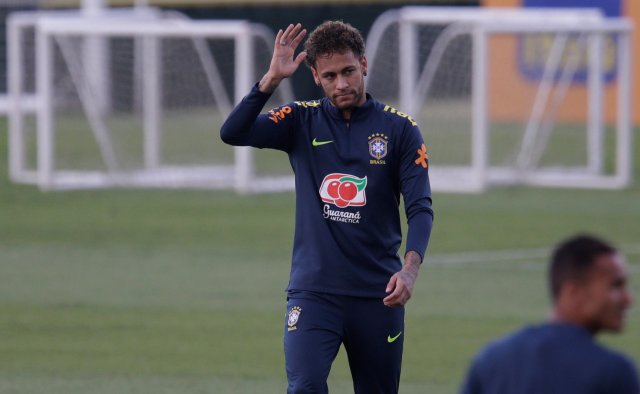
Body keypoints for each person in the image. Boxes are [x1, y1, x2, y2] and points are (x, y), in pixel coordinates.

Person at [220, 21, 433, 393]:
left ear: (363, 64)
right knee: (304, 387)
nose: (342, 84)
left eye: (349, 71)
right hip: (314, 293)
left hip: (378, 295)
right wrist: (270, 79)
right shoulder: (300, 120)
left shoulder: (400, 130)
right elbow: (233, 132)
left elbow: (420, 208)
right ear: (316, 77)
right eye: (330, 75)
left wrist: (411, 269)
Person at [460, 234, 639, 394]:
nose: (628, 300)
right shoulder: (613, 372)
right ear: (573, 292)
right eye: (616, 286)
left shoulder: (492, 359)